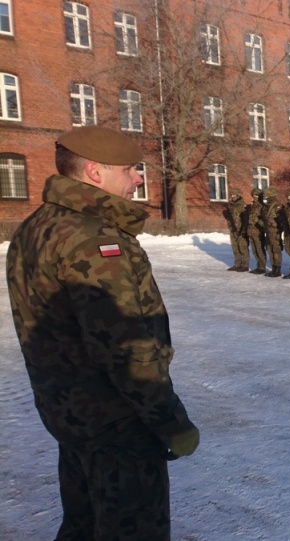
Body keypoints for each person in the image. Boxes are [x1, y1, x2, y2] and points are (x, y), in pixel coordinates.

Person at [6, 126, 199, 540]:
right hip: (117, 425)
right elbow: (126, 349)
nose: (139, 179)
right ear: (95, 172)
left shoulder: (36, 227)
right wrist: (171, 422)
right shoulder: (93, 240)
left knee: (83, 524)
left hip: (70, 414)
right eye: (130, 169)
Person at [223, 186, 249, 271]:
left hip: (240, 229)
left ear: (238, 195)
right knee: (235, 247)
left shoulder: (242, 205)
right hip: (232, 229)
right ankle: (237, 264)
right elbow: (230, 217)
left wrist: (244, 229)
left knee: (243, 247)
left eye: (233, 194)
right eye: (231, 195)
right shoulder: (230, 205)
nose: (232, 196)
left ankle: (245, 265)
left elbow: (245, 219)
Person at [262, 187, 284, 277]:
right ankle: (273, 267)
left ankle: (278, 269)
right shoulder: (266, 207)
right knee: (270, 249)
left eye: (267, 195)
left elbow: (281, 220)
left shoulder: (277, 206)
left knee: (276, 250)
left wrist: (276, 226)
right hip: (268, 231)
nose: (265, 197)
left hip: (275, 232)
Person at [246, 187, 267, 274]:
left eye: (257, 195)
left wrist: (258, 222)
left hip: (258, 230)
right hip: (251, 230)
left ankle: (262, 267)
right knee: (254, 249)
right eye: (253, 195)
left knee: (259, 248)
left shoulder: (262, 206)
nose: (255, 197)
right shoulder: (253, 206)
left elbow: (264, 219)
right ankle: (258, 265)